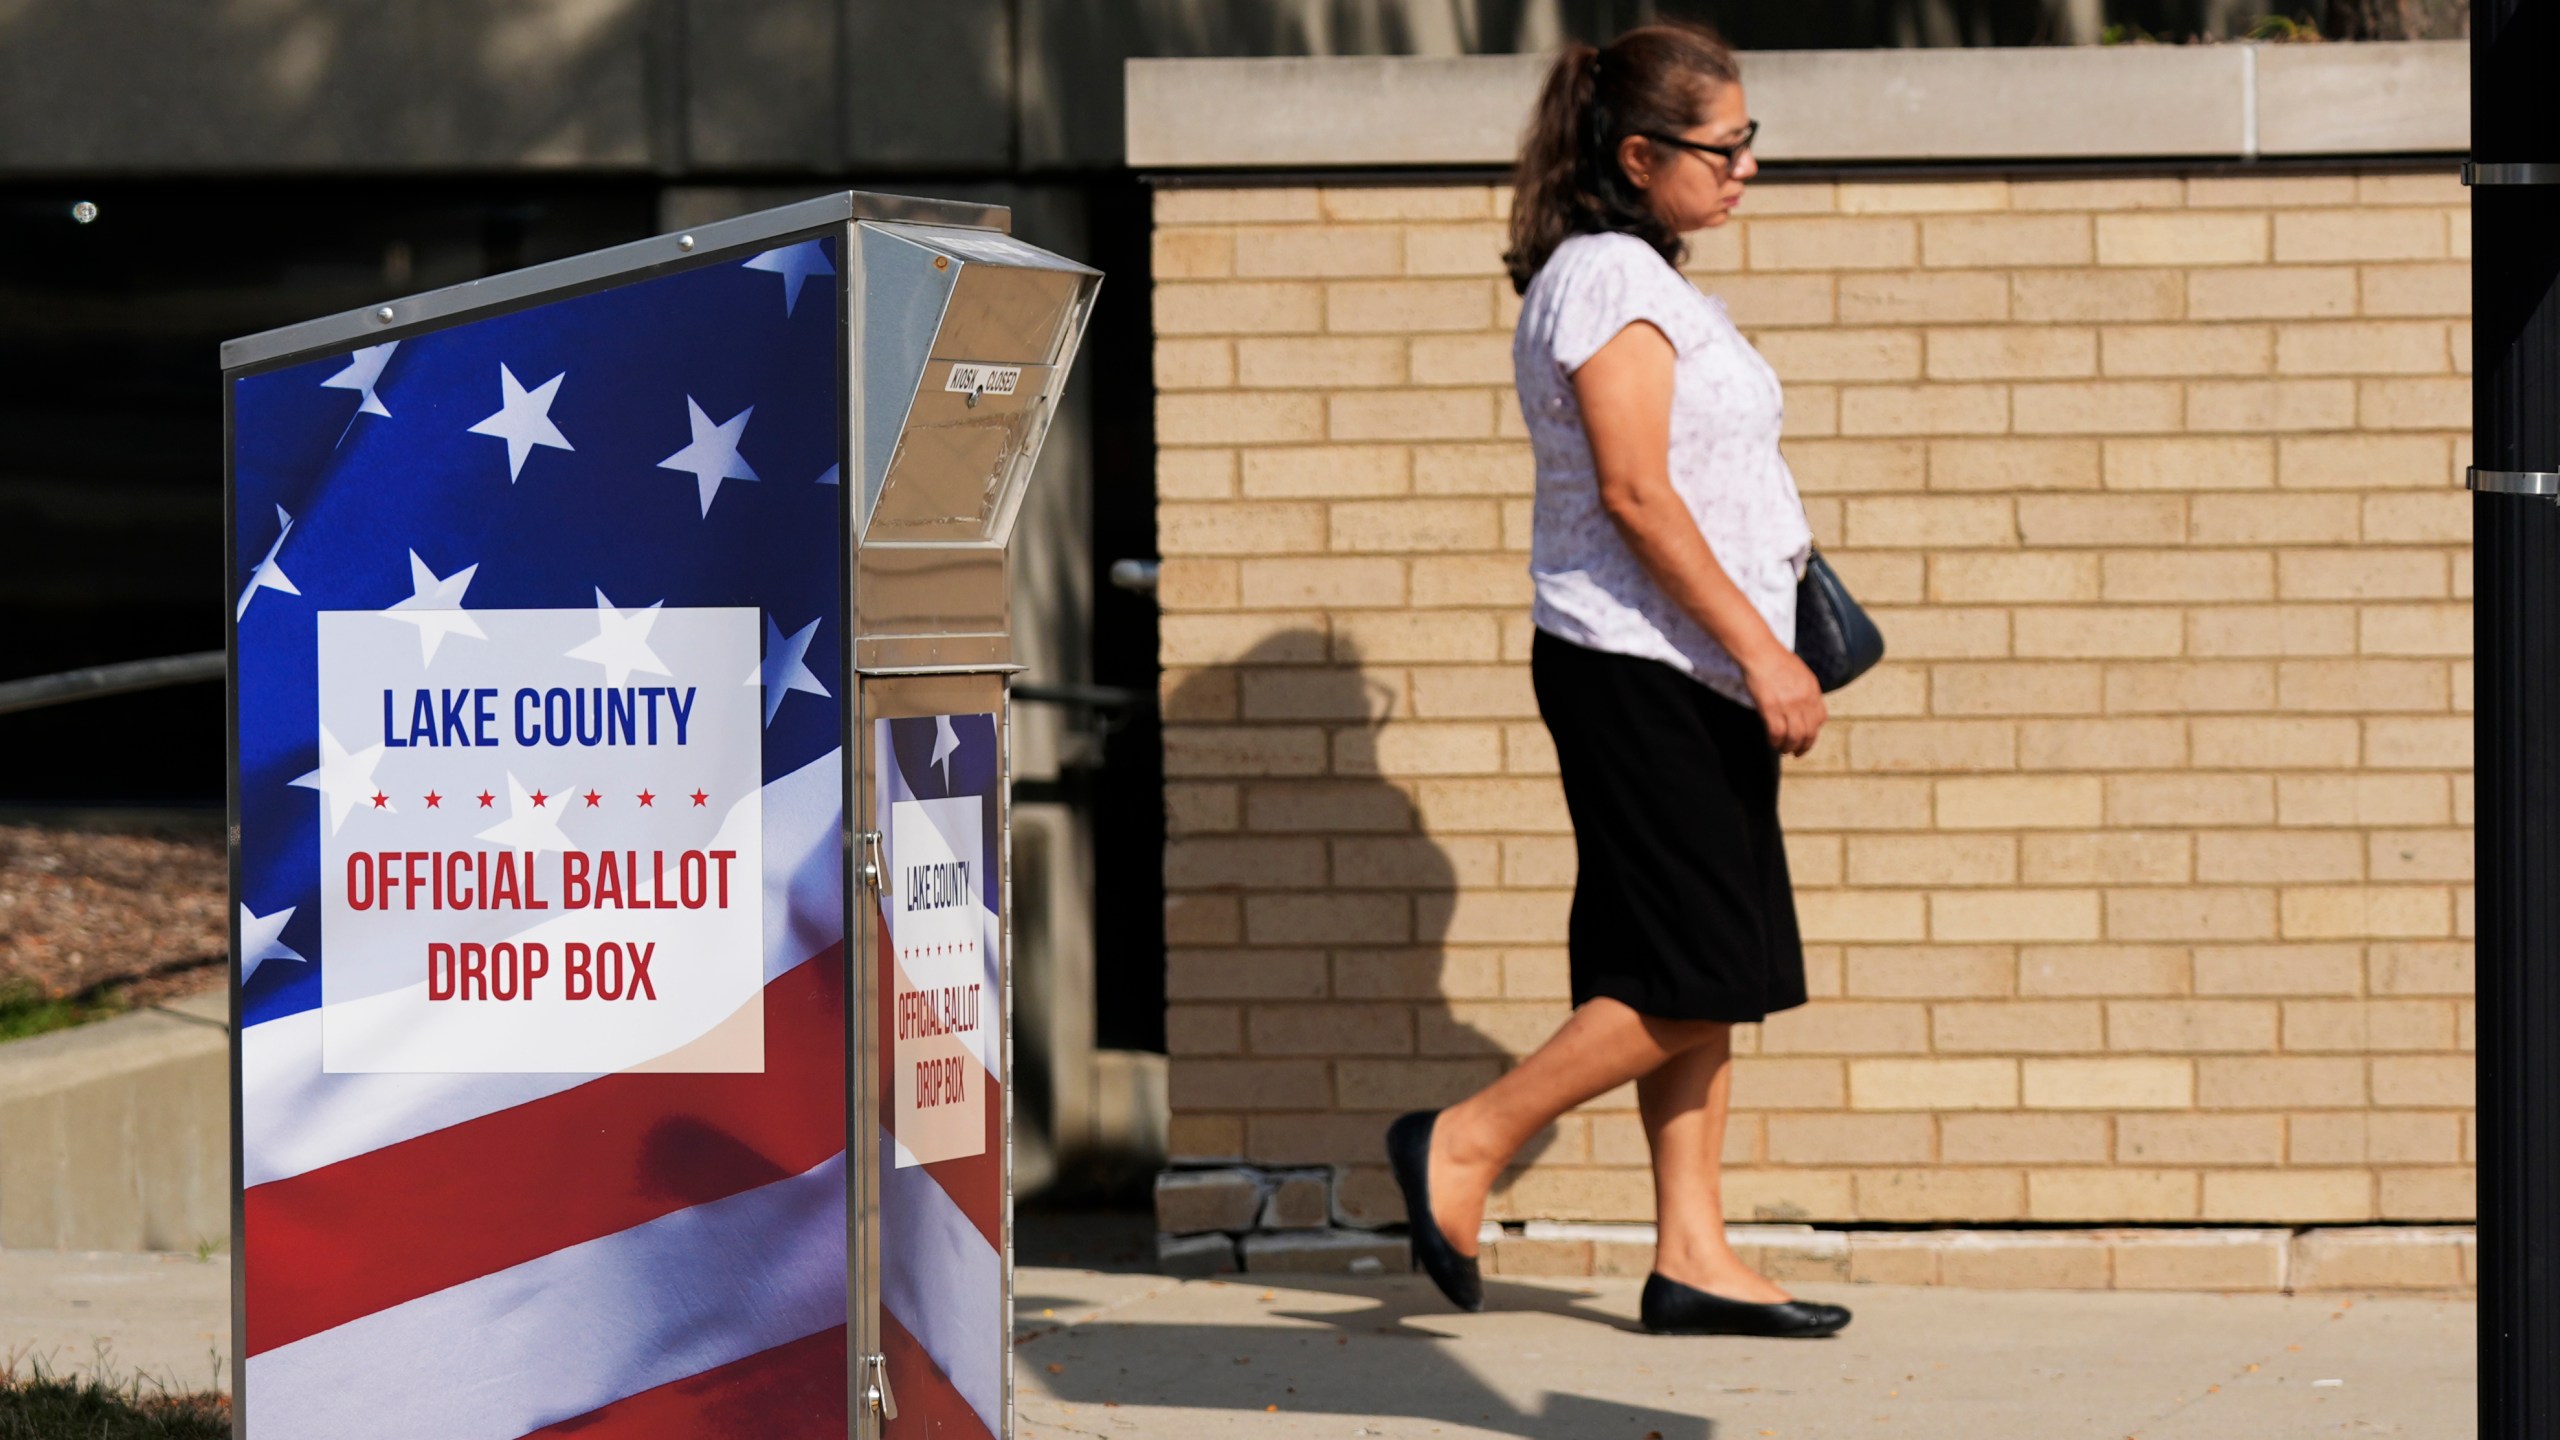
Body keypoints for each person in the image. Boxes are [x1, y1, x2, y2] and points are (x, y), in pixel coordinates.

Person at [1384, 22, 1849, 1340]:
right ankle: (1463, 1142)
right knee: (1703, 965)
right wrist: (1764, 652)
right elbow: (1637, 494)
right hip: (1645, 666)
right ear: (1640, 154)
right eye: (1726, 144)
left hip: (1681, 669)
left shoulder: (1642, 276)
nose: (1747, 166)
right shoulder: (1606, 281)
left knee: (1679, 959)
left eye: (1750, 139)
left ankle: (1693, 1252)